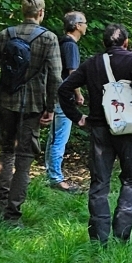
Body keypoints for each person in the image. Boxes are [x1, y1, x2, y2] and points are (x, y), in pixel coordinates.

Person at [58, 23, 132, 243]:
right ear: (126, 43)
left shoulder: (92, 63)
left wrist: (77, 117)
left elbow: (64, 88)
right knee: (130, 180)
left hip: (99, 128)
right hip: (128, 129)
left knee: (99, 183)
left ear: (104, 42)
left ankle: (98, 239)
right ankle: (122, 235)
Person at [0, 0, 62, 221]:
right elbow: (55, 76)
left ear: (22, 12)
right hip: (32, 104)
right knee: (24, 157)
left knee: (6, 152)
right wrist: (50, 107)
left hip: (4, 101)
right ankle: (13, 214)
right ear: (41, 13)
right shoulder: (49, 38)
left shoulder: (5, 34)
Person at [46, 11, 87, 192]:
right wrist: (78, 94)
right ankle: (56, 178)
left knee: (54, 136)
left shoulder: (62, 43)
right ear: (77, 25)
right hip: (63, 98)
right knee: (59, 138)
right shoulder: (70, 45)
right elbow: (73, 74)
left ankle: (51, 174)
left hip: (57, 95)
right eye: (84, 23)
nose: (86, 26)